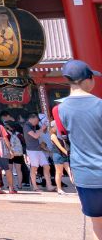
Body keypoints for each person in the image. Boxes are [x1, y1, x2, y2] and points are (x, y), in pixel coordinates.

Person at [52, 59, 102, 240]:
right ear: (87, 79)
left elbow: (64, 137)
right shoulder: (100, 105)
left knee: (97, 221)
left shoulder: (59, 110)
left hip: (84, 173)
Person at [23, 113, 53, 192]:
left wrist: (43, 128)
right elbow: (35, 136)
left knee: (47, 166)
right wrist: (41, 129)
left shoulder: (32, 126)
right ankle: (35, 187)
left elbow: (40, 134)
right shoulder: (26, 126)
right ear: (33, 118)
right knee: (34, 168)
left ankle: (49, 185)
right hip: (32, 150)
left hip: (38, 149)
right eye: (37, 120)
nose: (37, 122)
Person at [46, 117, 74, 195]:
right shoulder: (53, 136)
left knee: (70, 170)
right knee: (59, 172)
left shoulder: (59, 135)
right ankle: (59, 189)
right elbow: (60, 147)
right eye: (56, 126)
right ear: (53, 127)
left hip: (63, 155)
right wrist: (67, 153)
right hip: (58, 155)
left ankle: (76, 186)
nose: (58, 128)